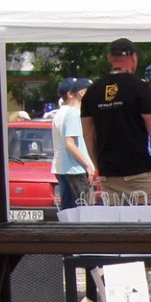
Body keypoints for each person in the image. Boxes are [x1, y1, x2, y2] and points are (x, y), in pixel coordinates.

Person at [81, 37, 151, 204]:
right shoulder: (140, 87)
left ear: (109, 58)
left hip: (109, 175)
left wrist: (99, 166)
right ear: (134, 58)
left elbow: (88, 135)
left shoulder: (92, 91)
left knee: (117, 228)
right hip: (141, 172)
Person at [50, 77, 94, 211]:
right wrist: (88, 165)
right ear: (82, 93)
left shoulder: (64, 113)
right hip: (76, 169)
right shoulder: (74, 114)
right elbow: (69, 143)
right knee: (82, 210)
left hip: (67, 168)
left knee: (69, 211)